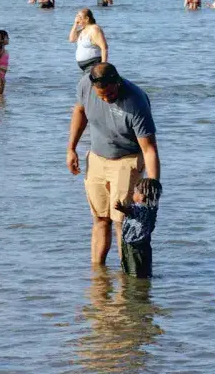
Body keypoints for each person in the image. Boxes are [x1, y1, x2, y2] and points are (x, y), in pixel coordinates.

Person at [66, 63, 160, 267]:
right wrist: (71, 148)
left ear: (117, 82)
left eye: (110, 93)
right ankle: (98, 275)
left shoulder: (136, 101)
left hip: (127, 160)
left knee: (121, 222)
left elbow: (149, 149)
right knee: (100, 218)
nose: (106, 98)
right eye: (101, 95)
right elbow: (80, 112)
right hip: (97, 158)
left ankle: (126, 276)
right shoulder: (85, 85)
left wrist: (151, 184)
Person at [113, 178, 162, 278]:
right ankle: (142, 280)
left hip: (134, 245)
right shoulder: (152, 208)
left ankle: (134, 285)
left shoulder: (140, 208)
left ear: (142, 196)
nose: (133, 194)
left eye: (135, 192)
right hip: (143, 244)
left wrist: (121, 208)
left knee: (133, 269)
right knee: (143, 267)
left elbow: (130, 211)